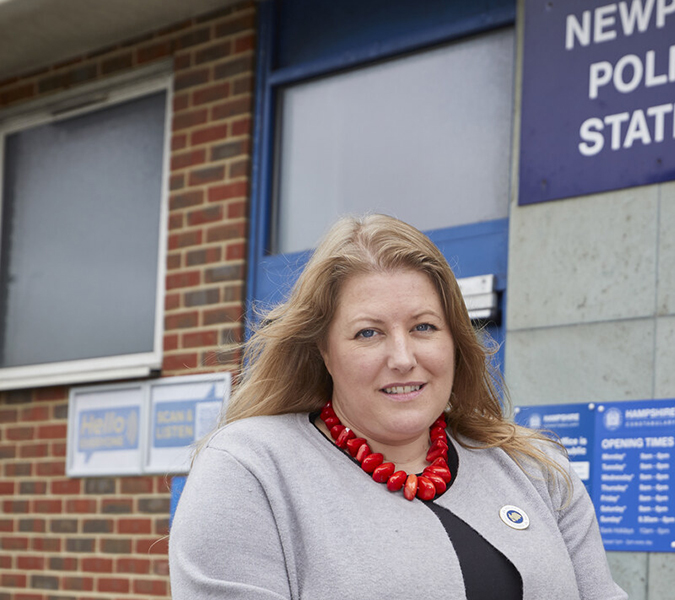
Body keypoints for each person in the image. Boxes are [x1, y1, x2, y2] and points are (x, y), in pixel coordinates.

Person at [169, 214, 628, 600]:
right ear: (324, 352)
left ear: (455, 342)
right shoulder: (250, 470)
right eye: (368, 333)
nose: (404, 358)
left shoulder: (536, 470)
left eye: (424, 327)